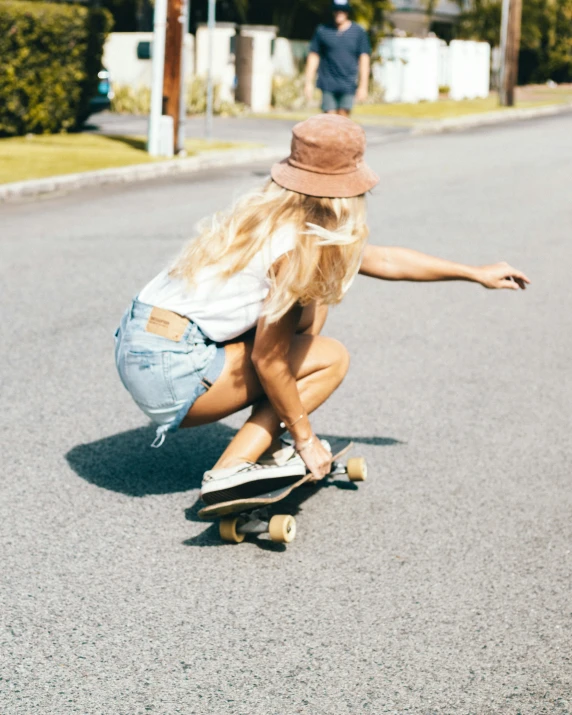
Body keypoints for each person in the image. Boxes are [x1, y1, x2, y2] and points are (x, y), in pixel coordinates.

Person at [114, 114, 530, 506]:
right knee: (331, 358)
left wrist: (474, 273)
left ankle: (267, 448)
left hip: (138, 349)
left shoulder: (261, 216)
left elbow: (383, 260)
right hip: (173, 369)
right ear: (349, 190)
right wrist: (306, 437)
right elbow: (270, 359)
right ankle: (230, 469)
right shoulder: (298, 248)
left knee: (311, 309)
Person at [305, 0, 371, 116]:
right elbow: (314, 56)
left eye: (343, 10)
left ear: (347, 12)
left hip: (348, 83)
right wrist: (308, 83)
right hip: (328, 82)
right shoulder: (323, 30)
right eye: (336, 10)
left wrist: (363, 86)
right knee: (329, 120)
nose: (339, 13)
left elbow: (364, 59)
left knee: (343, 119)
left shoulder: (358, 32)